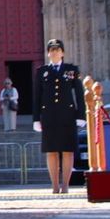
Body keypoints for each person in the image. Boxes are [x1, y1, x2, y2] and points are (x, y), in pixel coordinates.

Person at [33, 39, 85, 194]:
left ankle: (65, 185)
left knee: (68, 150)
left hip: (67, 115)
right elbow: (37, 96)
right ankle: (55, 186)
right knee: (52, 150)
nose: (54, 52)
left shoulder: (71, 70)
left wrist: (80, 115)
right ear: (48, 53)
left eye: (57, 49)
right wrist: (36, 118)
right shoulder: (41, 71)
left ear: (62, 52)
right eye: (51, 50)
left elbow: (79, 94)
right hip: (49, 115)